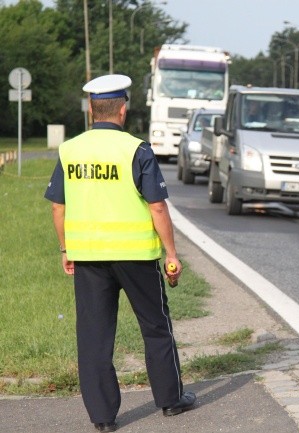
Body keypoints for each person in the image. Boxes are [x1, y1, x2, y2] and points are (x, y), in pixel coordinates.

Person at [44, 74, 195, 433]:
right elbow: (157, 207)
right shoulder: (137, 150)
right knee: (155, 328)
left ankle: (103, 417)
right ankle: (170, 400)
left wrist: (66, 248)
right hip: (137, 256)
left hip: (89, 257)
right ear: (123, 110)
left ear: (91, 110)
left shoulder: (70, 150)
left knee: (94, 335)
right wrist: (171, 253)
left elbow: (57, 208)